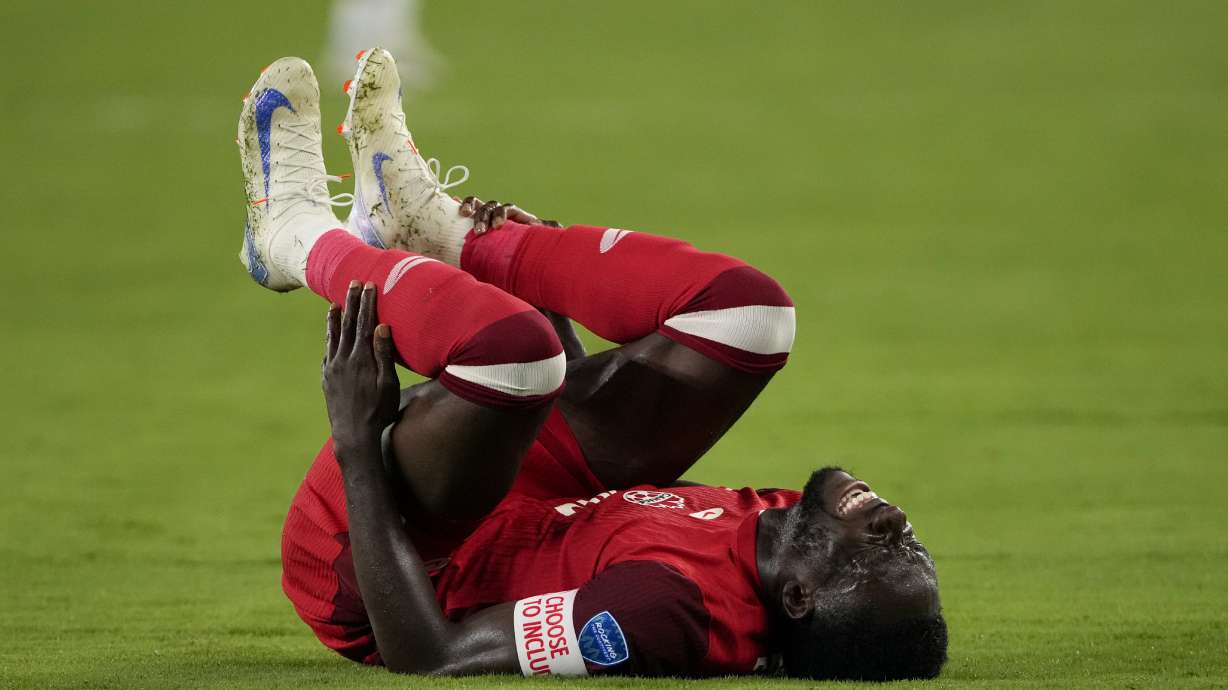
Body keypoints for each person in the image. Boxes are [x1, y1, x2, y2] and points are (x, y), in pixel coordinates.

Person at [238, 50, 947, 680]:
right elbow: (597, 512)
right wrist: (540, 287)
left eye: (882, 557)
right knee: (750, 319)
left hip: (384, 562)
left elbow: (431, 653)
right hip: (523, 500)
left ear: (800, 597)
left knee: (512, 355)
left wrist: (358, 445)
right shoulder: (781, 525)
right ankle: (439, 232)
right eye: (915, 549)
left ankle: (296, 239)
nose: (899, 527)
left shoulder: (663, 613)